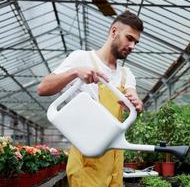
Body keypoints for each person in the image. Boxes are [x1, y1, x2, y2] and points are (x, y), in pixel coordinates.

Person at [37, 10, 144, 187]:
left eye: (136, 42)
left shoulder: (127, 75)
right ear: (114, 31)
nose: (132, 46)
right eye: (129, 38)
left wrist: (136, 105)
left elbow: (133, 99)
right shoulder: (82, 58)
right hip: (87, 159)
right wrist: (75, 72)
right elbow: (43, 88)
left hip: (115, 161)